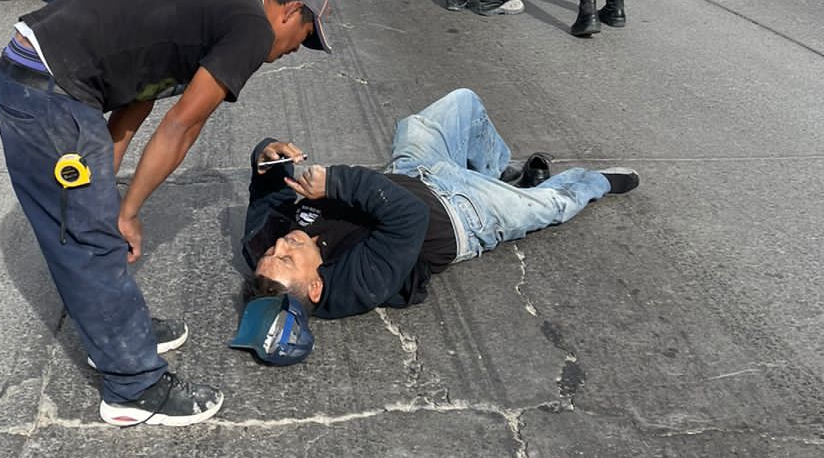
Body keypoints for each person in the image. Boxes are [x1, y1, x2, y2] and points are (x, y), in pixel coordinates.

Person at [0, 0, 333, 425]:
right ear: (291, 10)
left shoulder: (212, 6)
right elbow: (182, 126)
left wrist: (109, 198)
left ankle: (119, 335)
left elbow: (138, 94)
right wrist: (127, 212)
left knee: (95, 223)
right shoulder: (252, 28)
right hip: (48, 91)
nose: (297, 49)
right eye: (305, 36)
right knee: (90, 242)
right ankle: (133, 388)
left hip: (41, 76)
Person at [231, 88, 639, 360]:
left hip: (413, 173)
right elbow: (410, 216)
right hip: (465, 213)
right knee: (551, 204)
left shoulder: (263, 249)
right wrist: (337, 182)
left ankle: (496, 171)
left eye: (273, 251)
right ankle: (600, 181)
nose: (281, 244)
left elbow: (269, 194)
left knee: (461, 103)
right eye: (287, 258)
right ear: (316, 287)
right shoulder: (355, 285)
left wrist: (267, 157)